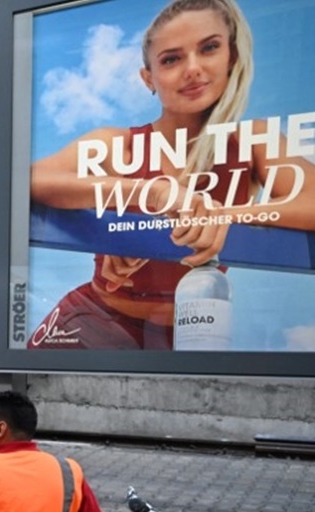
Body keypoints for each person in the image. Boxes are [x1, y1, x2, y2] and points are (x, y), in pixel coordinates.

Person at [28, 0, 315, 350]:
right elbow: (30, 180)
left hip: (188, 334)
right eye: (171, 59)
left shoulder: (251, 141)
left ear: (232, 57)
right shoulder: (119, 143)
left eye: (209, 48)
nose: (192, 68)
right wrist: (150, 196)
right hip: (93, 321)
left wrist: (218, 216)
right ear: (149, 77)